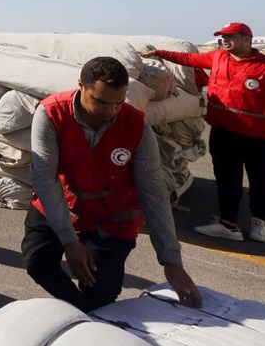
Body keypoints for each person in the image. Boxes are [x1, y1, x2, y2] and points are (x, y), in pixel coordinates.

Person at [24, 56, 202, 312]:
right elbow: (44, 176)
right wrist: (69, 241)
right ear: (81, 86)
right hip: (63, 202)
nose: (110, 111)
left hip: (112, 217)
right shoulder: (52, 113)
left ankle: (90, 317)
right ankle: (82, 312)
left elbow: (153, 192)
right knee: (37, 262)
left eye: (118, 103)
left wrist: (171, 261)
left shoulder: (137, 125)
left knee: (101, 293)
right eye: (100, 101)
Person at [145, 22, 265, 242]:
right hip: (224, 134)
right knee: (227, 180)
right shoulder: (217, 57)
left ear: (247, 39)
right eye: (222, 37)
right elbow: (187, 59)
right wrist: (158, 53)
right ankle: (228, 224)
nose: (225, 40)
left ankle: (259, 223)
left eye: (231, 36)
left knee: (261, 180)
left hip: (257, 137)